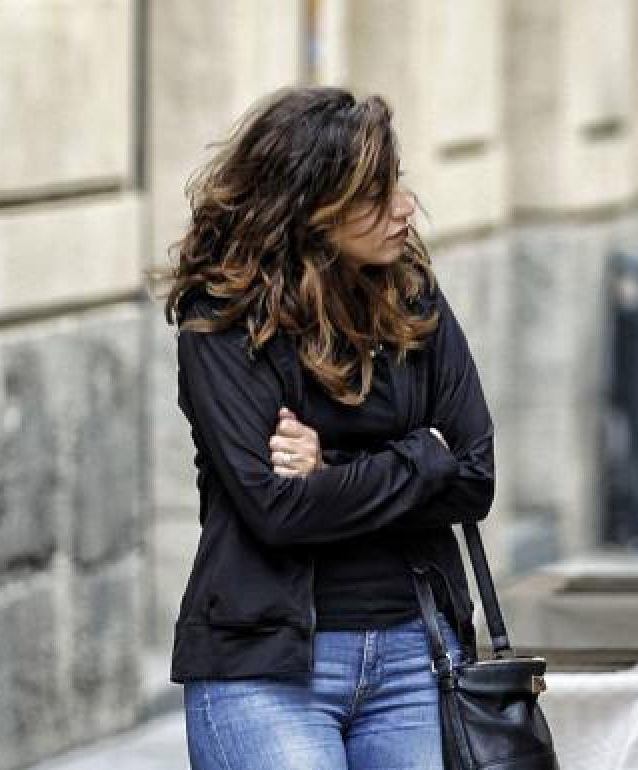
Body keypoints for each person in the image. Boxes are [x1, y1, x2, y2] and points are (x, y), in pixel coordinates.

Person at [154, 87, 495, 769]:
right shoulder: (221, 319)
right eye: (375, 192)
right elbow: (276, 508)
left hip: (416, 657)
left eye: (396, 181)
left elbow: (473, 476)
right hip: (265, 672)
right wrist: (416, 459)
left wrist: (332, 469)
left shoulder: (411, 294)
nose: (404, 207)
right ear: (310, 204)